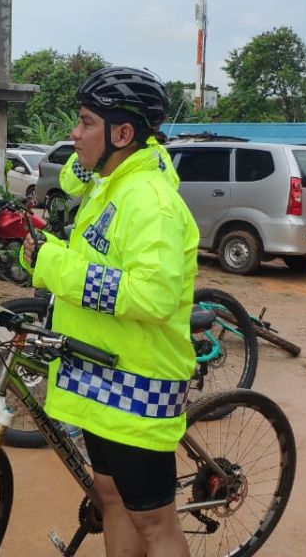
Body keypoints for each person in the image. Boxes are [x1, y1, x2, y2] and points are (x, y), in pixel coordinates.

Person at [22, 67, 198, 557]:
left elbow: (152, 296)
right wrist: (43, 255)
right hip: (100, 376)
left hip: (138, 386)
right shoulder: (110, 185)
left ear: (122, 134)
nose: (74, 135)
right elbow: (98, 264)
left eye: (84, 122)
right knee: (112, 498)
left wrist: (55, 266)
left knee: (156, 523)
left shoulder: (150, 201)